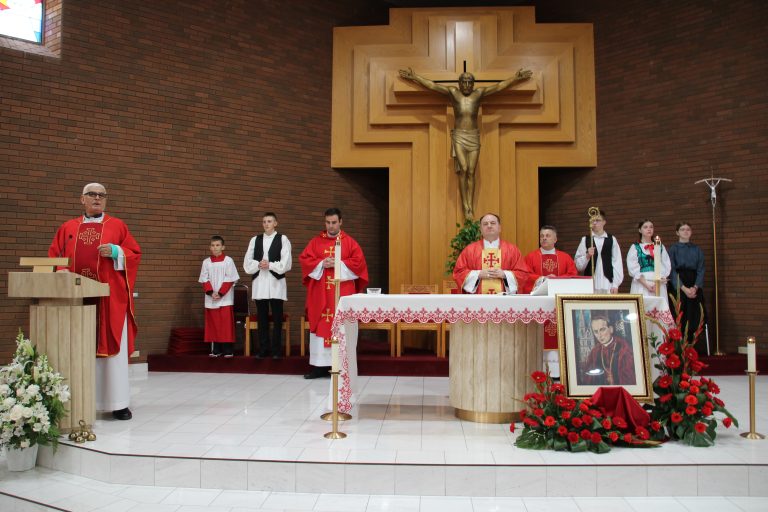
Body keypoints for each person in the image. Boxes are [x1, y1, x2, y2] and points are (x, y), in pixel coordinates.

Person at [48, 183, 141, 421]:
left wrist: (117, 252)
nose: (97, 198)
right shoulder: (68, 227)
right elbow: (55, 256)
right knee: (78, 349)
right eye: (92, 194)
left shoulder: (117, 226)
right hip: (76, 299)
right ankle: (79, 401)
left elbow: (134, 254)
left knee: (112, 352)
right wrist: (60, 269)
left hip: (109, 299)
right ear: (82, 199)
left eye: (101, 195)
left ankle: (117, 403)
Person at [398, 67, 533, 219]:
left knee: (471, 171)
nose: (467, 85)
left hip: (474, 136)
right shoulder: (453, 93)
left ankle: (470, 204)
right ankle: (465, 206)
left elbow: (498, 87)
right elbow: (433, 86)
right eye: (464, 82)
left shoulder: (478, 94)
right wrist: (415, 77)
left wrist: (515, 78)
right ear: (459, 83)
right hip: (459, 136)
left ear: (473, 84)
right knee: (463, 168)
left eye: (470, 82)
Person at [299, 208, 368, 379]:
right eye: (328, 222)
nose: (330, 226)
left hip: (341, 292)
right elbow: (305, 260)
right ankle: (318, 367)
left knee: (342, 325)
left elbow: (359, 264)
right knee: (321, 322)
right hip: (320, 293)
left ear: (340, 222)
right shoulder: (315, 242)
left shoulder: (350, 242)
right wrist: (322, 263)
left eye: (334, 222)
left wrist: (338, 263)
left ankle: (341, 366)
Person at [243, 212, 292, 359]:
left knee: (277, 318)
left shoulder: (282, 239)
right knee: (262, 318)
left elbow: (286, 263)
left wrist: (270, 265)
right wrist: (259, 264)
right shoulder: (255, 240)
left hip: (276, 283)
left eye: (269, 221)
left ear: (275, 223)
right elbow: (247, 262)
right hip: (260, 283)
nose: (266, 224)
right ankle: (263, 349)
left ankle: (276, 351)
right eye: (264, 221)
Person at [453, 213, 531, 294]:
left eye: (493, 223)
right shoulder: (469, 250)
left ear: (499, 228)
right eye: (485, 224)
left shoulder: (512, 250)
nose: (489, 226)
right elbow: (458, 273)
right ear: (480, 229)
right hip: (478, 300)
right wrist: (478, 274)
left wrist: (505, 275)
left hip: (504, 300)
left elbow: (523, 274)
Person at [199, 235, 240, 357]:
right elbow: (204, 279)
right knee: (214, 324)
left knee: (225, 324)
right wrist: (211, 292)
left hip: (225, 298)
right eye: (213, 245)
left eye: (217, 245)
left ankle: (228, 349)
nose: (215, 247)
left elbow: (230, 278)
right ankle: (216, 349)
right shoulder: (206, 262)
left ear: (223, 247)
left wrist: (221, 293)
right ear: (210, 247)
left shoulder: (228, 261)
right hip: (211, 297)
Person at [667, 222, 706, 344]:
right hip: (679, 284)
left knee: (694, 315)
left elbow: (701, 269)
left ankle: (692, 344)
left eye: (688, 229)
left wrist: (695, 287)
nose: (685, 231)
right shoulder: (673, 249)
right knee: (679, 315)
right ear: (677, 232)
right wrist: (683, 288)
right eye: (682, 229)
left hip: (694, 283)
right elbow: (671, 270)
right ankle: (678, 345)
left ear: (691, 232)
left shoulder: (697, 249)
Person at [574, 209, 623, 293]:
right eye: (593, 220)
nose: (595, 223)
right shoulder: (585, 239)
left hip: (608, 282)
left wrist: (615, 284)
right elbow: (578, 265)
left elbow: (617, 262)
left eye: (598, 220)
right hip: (590, 283)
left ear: (604, 222)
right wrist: (587, 256)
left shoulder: (611, 239)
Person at [581, 314, 636, 386]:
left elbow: (630, 378)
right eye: (596, 332)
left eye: (602, 329)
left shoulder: (624, 347)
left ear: (611, 329)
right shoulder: (595, 351)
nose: (599, 335)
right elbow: (588, 378)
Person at [523, 225, 578, 293]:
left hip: (559, 294)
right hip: (538, 295)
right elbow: (526, 276)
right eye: (542, 236)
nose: (544, 238)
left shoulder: (565, 257)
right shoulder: (530, 257)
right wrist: (543, 279)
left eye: (547, 236)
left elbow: (573, 275)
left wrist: (557, 279)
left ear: (555, 240)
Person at [626, 219, 670, 297]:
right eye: (645, 227)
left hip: (658, 283)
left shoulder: (659, 246)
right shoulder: (635, 247)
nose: (649, 229)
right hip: (641, 283)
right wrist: (646, 285)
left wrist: (657, 284)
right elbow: (632, 267)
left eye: (651, 227)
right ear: (640, 230)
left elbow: (665, 264)